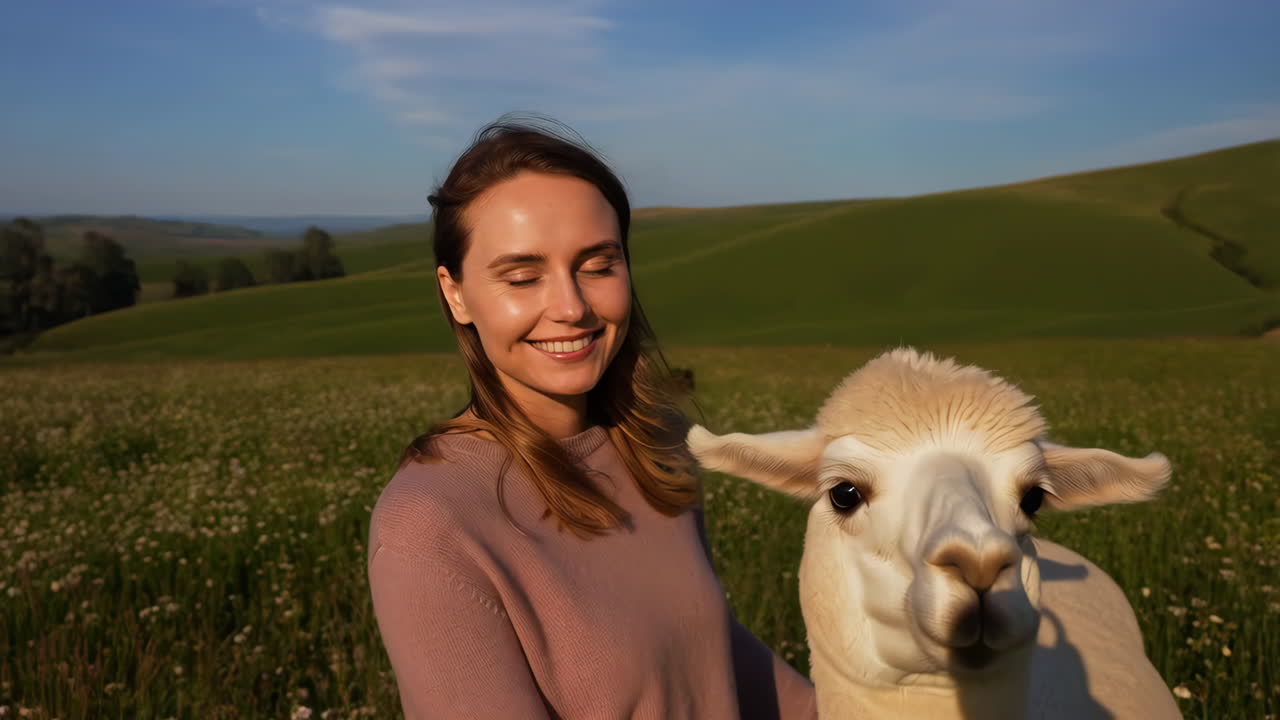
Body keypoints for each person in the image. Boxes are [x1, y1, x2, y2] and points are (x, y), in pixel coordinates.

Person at [366, 115, 818, 720]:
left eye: (598, 265)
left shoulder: (658, 444)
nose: (571, 307)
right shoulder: (430, 525)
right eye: (523, 276)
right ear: (455, 293)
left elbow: (710, 658)